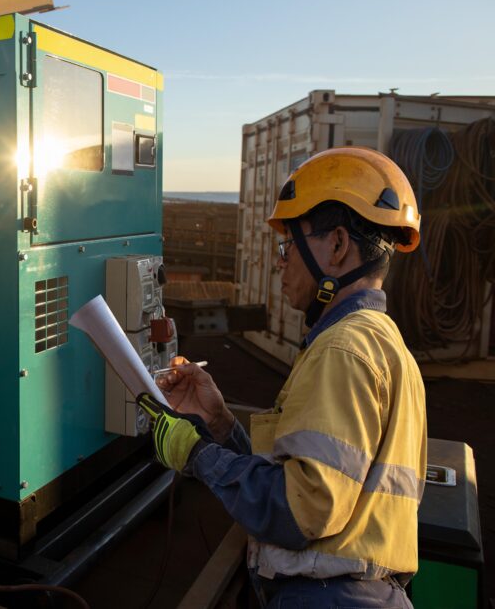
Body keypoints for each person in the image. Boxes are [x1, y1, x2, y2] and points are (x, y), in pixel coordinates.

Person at [138, 147, 427, 608]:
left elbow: (299, 510)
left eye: (287, 245)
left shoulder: (343, 350)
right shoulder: (380, 341)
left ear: (336, 245)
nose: (280, 261)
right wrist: (219, 423)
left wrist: (195, 453)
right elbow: (307, 478)